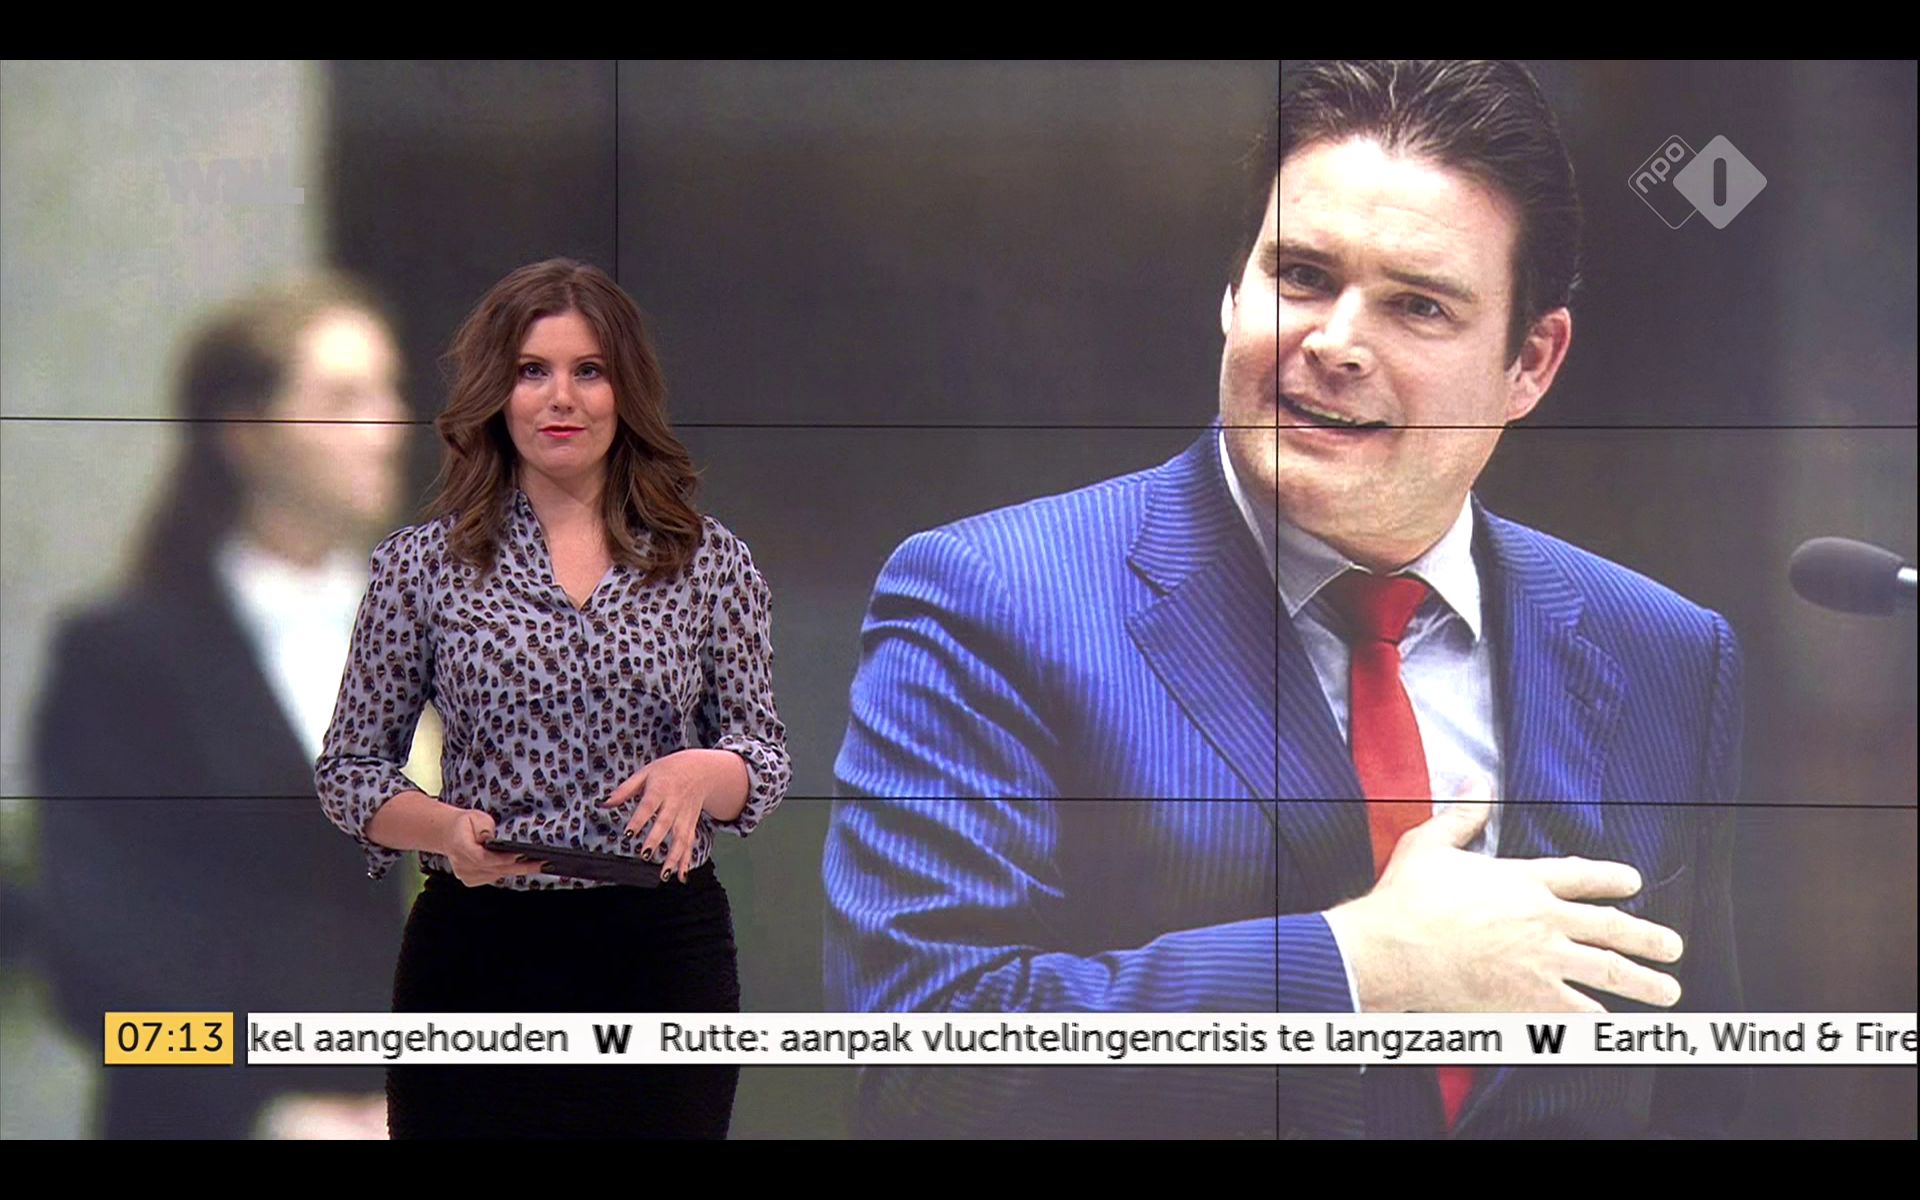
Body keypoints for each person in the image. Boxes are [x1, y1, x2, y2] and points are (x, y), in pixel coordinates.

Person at [826, 60, 1744, 1138]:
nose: (1337, 342)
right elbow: (924, 1068)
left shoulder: (1667, 653)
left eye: (1418, 304)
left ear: (1530, 362)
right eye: (1302, 275)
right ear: (1233, 291)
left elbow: (1701, 1092)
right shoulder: (992, 601)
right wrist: (1362, 970)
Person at [315, 258, 789, 1139]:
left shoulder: (707, 561)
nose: (560, 398)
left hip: (659, 954)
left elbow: (761, 755)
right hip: (478, 956)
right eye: (532, 371)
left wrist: (703, 772)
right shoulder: (421, 567)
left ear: (625, 390)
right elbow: (350, 770)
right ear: (497, 393)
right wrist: (445, 830)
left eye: (589, 371)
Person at [32, 274, 414, 1138]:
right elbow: (97, 953)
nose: (388, 429)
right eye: (344, 400)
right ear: (246, 434)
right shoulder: (126, 657)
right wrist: (267, 1107)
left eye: (388, 393)